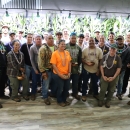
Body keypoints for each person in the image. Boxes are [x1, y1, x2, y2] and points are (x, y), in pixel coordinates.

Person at [98, 43, 122, 108]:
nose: (112, 50)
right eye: (111, 48)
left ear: (116, 50)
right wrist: (103, 76)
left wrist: (113, 77)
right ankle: (101, 100)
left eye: (114, 49)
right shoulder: (105, 56)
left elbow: (118, 68)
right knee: (103, 89)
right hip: (105, 76)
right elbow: (101, 67)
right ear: (109, 49)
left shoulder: (118, 58)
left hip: (114, 77)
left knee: (111, 90)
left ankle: (108, 101)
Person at [50, 40, 71, 107]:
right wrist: (60, 75)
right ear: (58, 45)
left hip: (66, 74)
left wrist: (69, 72)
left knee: (66, 88)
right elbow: (54, 65)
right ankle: (60, 101)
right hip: (57, 74)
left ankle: (64, 100)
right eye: (62, 44)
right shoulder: (55, 53)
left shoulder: (67, 52)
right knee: (60, 88)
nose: (63, 45)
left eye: (64, 44)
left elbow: (69, 63)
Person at [82, 37, 103, 101]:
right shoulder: (84, 50)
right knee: (85, 83)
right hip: (86, 69)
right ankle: (84, 94)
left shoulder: (99, 50)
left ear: (95, 42)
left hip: (95, 70)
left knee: (95, 83)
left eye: (92, 41)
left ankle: (95, 94)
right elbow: (82, 59)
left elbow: (101, 61)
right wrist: (86, 63)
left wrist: (99, 70)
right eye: (90, 41)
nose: (91, 42)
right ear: (88, 42)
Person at [38, 34, 57, 105]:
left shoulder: (56, 47)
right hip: (46, 70)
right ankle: (45, 97)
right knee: (45, 85)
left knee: (54, 84)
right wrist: (43, 72)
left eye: (52, 38)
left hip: (54, 70)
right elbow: (40, 61)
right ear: (46, 39)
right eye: (49, 38)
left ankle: (52, 94)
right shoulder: (43, 48)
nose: (51, 39)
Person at [66, 32, 82, 100]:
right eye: (72, 38)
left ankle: (75, 93)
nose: (73, 39)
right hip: (66, 69)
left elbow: (80, 60)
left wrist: (79, 69)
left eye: (74, 38)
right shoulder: (65, 46)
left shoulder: (78, 48)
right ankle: (65, 93)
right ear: (70, 38)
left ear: (76, 39)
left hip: (75, 69)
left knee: (75, 83)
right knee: (66, 82)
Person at [115, 35, 130, 100]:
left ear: (123, 40)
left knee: (120, 81)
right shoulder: (114, 47)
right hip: (113, 67)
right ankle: (110, 92)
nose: (119, 41)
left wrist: (121, 68)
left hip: (122, 68)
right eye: (118, 40)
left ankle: (119, 93)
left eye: (121, 39)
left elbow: (127, 60)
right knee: (113, 81)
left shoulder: (127, 49)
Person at [30, 35, 42, 100]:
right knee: (34, 81)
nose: (38, 40)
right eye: (37, 39)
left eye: (39, 39)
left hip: (42, 67)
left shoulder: (43, 47)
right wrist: (35, 69)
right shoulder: (32, 48)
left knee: (43, 80)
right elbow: (31, 59)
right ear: (34, 40)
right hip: (35, 66)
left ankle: (43, 93)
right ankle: (33, 93)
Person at [0, 36, 8, 100]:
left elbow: (4, 53)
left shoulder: (2, 43)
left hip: (3, 66)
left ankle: (2, 94)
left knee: (3, 81)